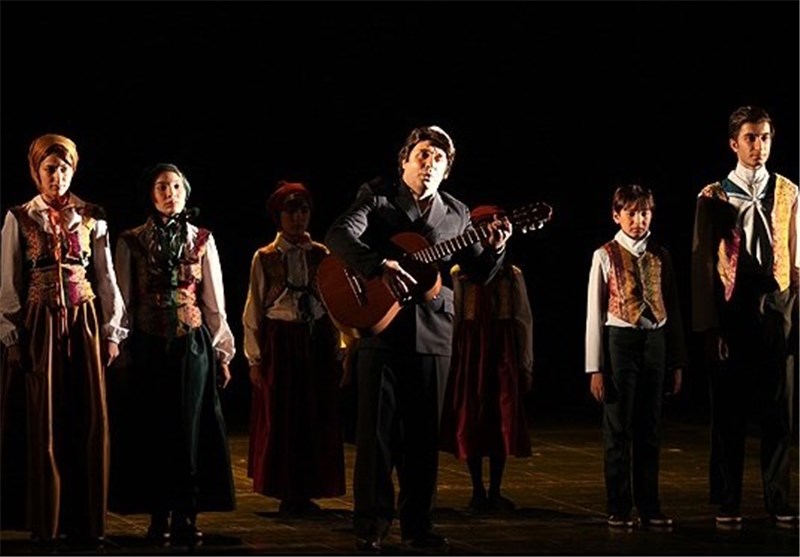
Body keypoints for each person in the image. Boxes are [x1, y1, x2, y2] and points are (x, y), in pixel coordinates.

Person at [324, 125, 512, 553]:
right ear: (404, 162)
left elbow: (480, 273)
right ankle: (371, 523)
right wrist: (378, 265)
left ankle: (418, 525)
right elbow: (338, 236)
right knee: (376, 434)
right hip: (380, 327)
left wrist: (497, 248)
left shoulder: (458, 213)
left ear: (447, 170)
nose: (430, 164)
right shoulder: (378, 198)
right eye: (423, 155)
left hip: (433, 332)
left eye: (438, 159)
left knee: (424, 438)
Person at [0, 134, 128, 546]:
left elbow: (105, 277)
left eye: (64, 168)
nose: (57, 176)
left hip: (83, 320)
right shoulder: (20, 217)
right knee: (46, 417)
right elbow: (8, 281)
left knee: (87, 415)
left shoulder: (91, 216)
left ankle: (86, 521)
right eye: (50, 169)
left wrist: (112, 331)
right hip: (40, 320)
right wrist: (11, 334)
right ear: (36, 172)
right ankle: (47, 521)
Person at [111, 163, 236, 546]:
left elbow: (214, 300)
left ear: (186, 192)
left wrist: (222, 351)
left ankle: (187, 513)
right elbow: (123, 300)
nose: (170, 194)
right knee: (154, 429)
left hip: (190, 344)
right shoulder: (132, 240)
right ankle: (158, 515)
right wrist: (121, 345)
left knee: (189, 429)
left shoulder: (201, 239)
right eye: (162, 187)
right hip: (149, 344)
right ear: (151, 194)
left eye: (176, 187)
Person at [691, 105, 799, 526]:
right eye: (751, 138)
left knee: (779, 408)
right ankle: (728, 499)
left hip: (776, 303)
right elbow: (702, 262)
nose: (759, 146)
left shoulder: (788, 191)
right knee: (729, 407)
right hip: (732, 304)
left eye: (765, 137)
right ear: (734, 143)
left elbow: (796, 256)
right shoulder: (713, 195)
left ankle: (778, 498)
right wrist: (709, 325)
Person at [585, 184, 686, 529]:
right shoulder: (604, 255)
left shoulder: (661, 254)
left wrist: (676, 361)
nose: (638, 220)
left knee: (650, 427)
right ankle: (619, 505)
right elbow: (594, 314)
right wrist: (595, 367)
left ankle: (649, 505)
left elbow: (673, 307)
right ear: (617, 215)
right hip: (620, 342)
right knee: (618, 427)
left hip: (655, 341)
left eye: (644, 213)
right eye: (631, 213)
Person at [243, 180, 345, 516]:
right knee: (284, 417)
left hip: (316, 341)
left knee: (315, 415)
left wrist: (340, 348)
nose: (299, 218)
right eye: (291, 212)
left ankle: (310, 489)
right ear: (279, 216)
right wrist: (254, 358)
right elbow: (254, 309)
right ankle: (287, 490)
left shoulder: (322, 254)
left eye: (304, 211)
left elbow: (334, 304)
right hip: (281, 342)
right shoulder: (265, 257)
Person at [439, 205, 533, 513]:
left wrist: (525, 363)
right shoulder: (460, 273)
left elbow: (522, 319)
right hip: (471, 349)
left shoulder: (511, 274)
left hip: (501, 350)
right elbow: (454, 318)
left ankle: (495, 490)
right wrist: (451, 357)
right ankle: (477, 490)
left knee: (500, 417)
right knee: (472, 417)